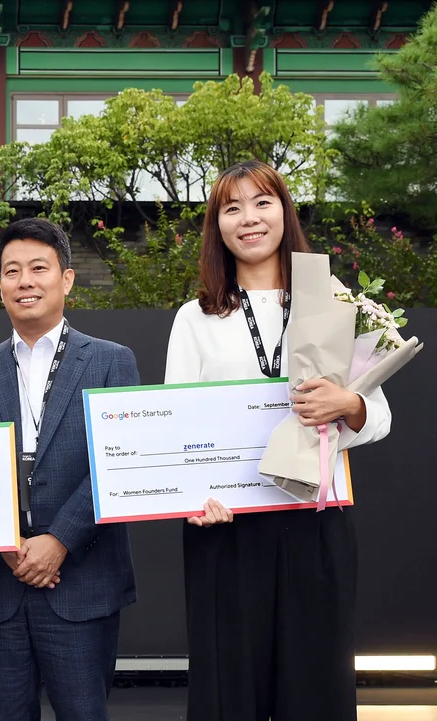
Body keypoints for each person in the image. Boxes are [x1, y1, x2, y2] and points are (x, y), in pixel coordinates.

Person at [165, 159, 392, 721]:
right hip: (226, 530)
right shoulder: (195, 317)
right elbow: (175, 421)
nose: (249, 218)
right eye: (232, 207)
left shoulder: (336, 302)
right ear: (217, 226)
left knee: (315, 686)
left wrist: (349, 405)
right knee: (228, 692)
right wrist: (194, 498)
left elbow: (379, 416)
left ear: (284, 212)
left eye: (262, 202)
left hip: (315, 519)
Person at [0, 217, 140, 720]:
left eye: (38, 268)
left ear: (67, 279)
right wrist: (9, 543)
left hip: (83, 578)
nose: (25, 281)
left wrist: (59, 541)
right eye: (12, 271)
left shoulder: (111, 362)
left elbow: (119, 465)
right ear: (0, 286)